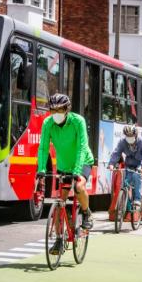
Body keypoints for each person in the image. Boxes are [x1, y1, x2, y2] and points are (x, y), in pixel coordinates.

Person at [36, 93, 95, 254]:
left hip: (83, 161)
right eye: (53, 110)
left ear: (67, 109)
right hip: (63, 165)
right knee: (59, 202)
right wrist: (41, 169)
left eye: (59, 110)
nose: (56, 114)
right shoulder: (48, 123)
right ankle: (59, 240)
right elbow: (43, 147)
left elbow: (82, 147)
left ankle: (86, 212)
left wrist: (77, 171)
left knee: (79, 186)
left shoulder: (78, 121)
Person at [108, 125, 142, 207]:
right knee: (125, 181)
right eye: (127, 136)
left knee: (137, 176)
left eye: (131, 136)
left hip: (139, 164)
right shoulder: (122, 141)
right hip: (128, 164)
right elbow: (116, 153)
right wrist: (111, 164)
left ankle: (137, 199)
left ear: (135, 135)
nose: (129, 137)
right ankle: (125, 201)